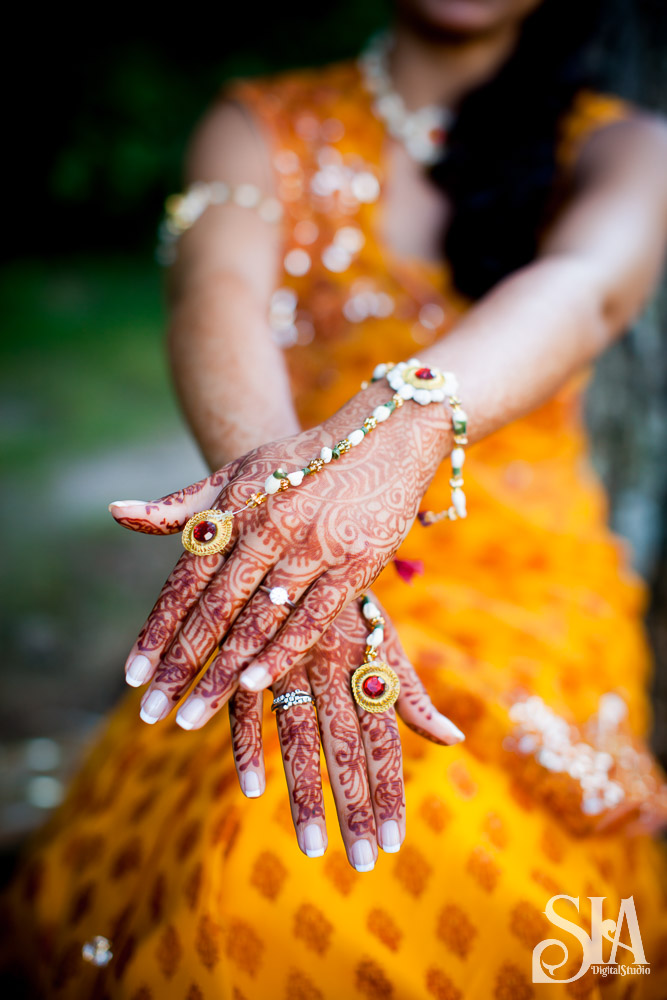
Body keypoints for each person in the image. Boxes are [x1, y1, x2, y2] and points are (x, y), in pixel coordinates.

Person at [5, 0, 667, 996]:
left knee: (442, 839)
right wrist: (291, 537)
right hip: (294, 566)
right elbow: (213, 291)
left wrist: (400, 425)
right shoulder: (258, 125)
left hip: (525, 584)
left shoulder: (626, 146)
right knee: (262, 815)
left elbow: (579, 290)